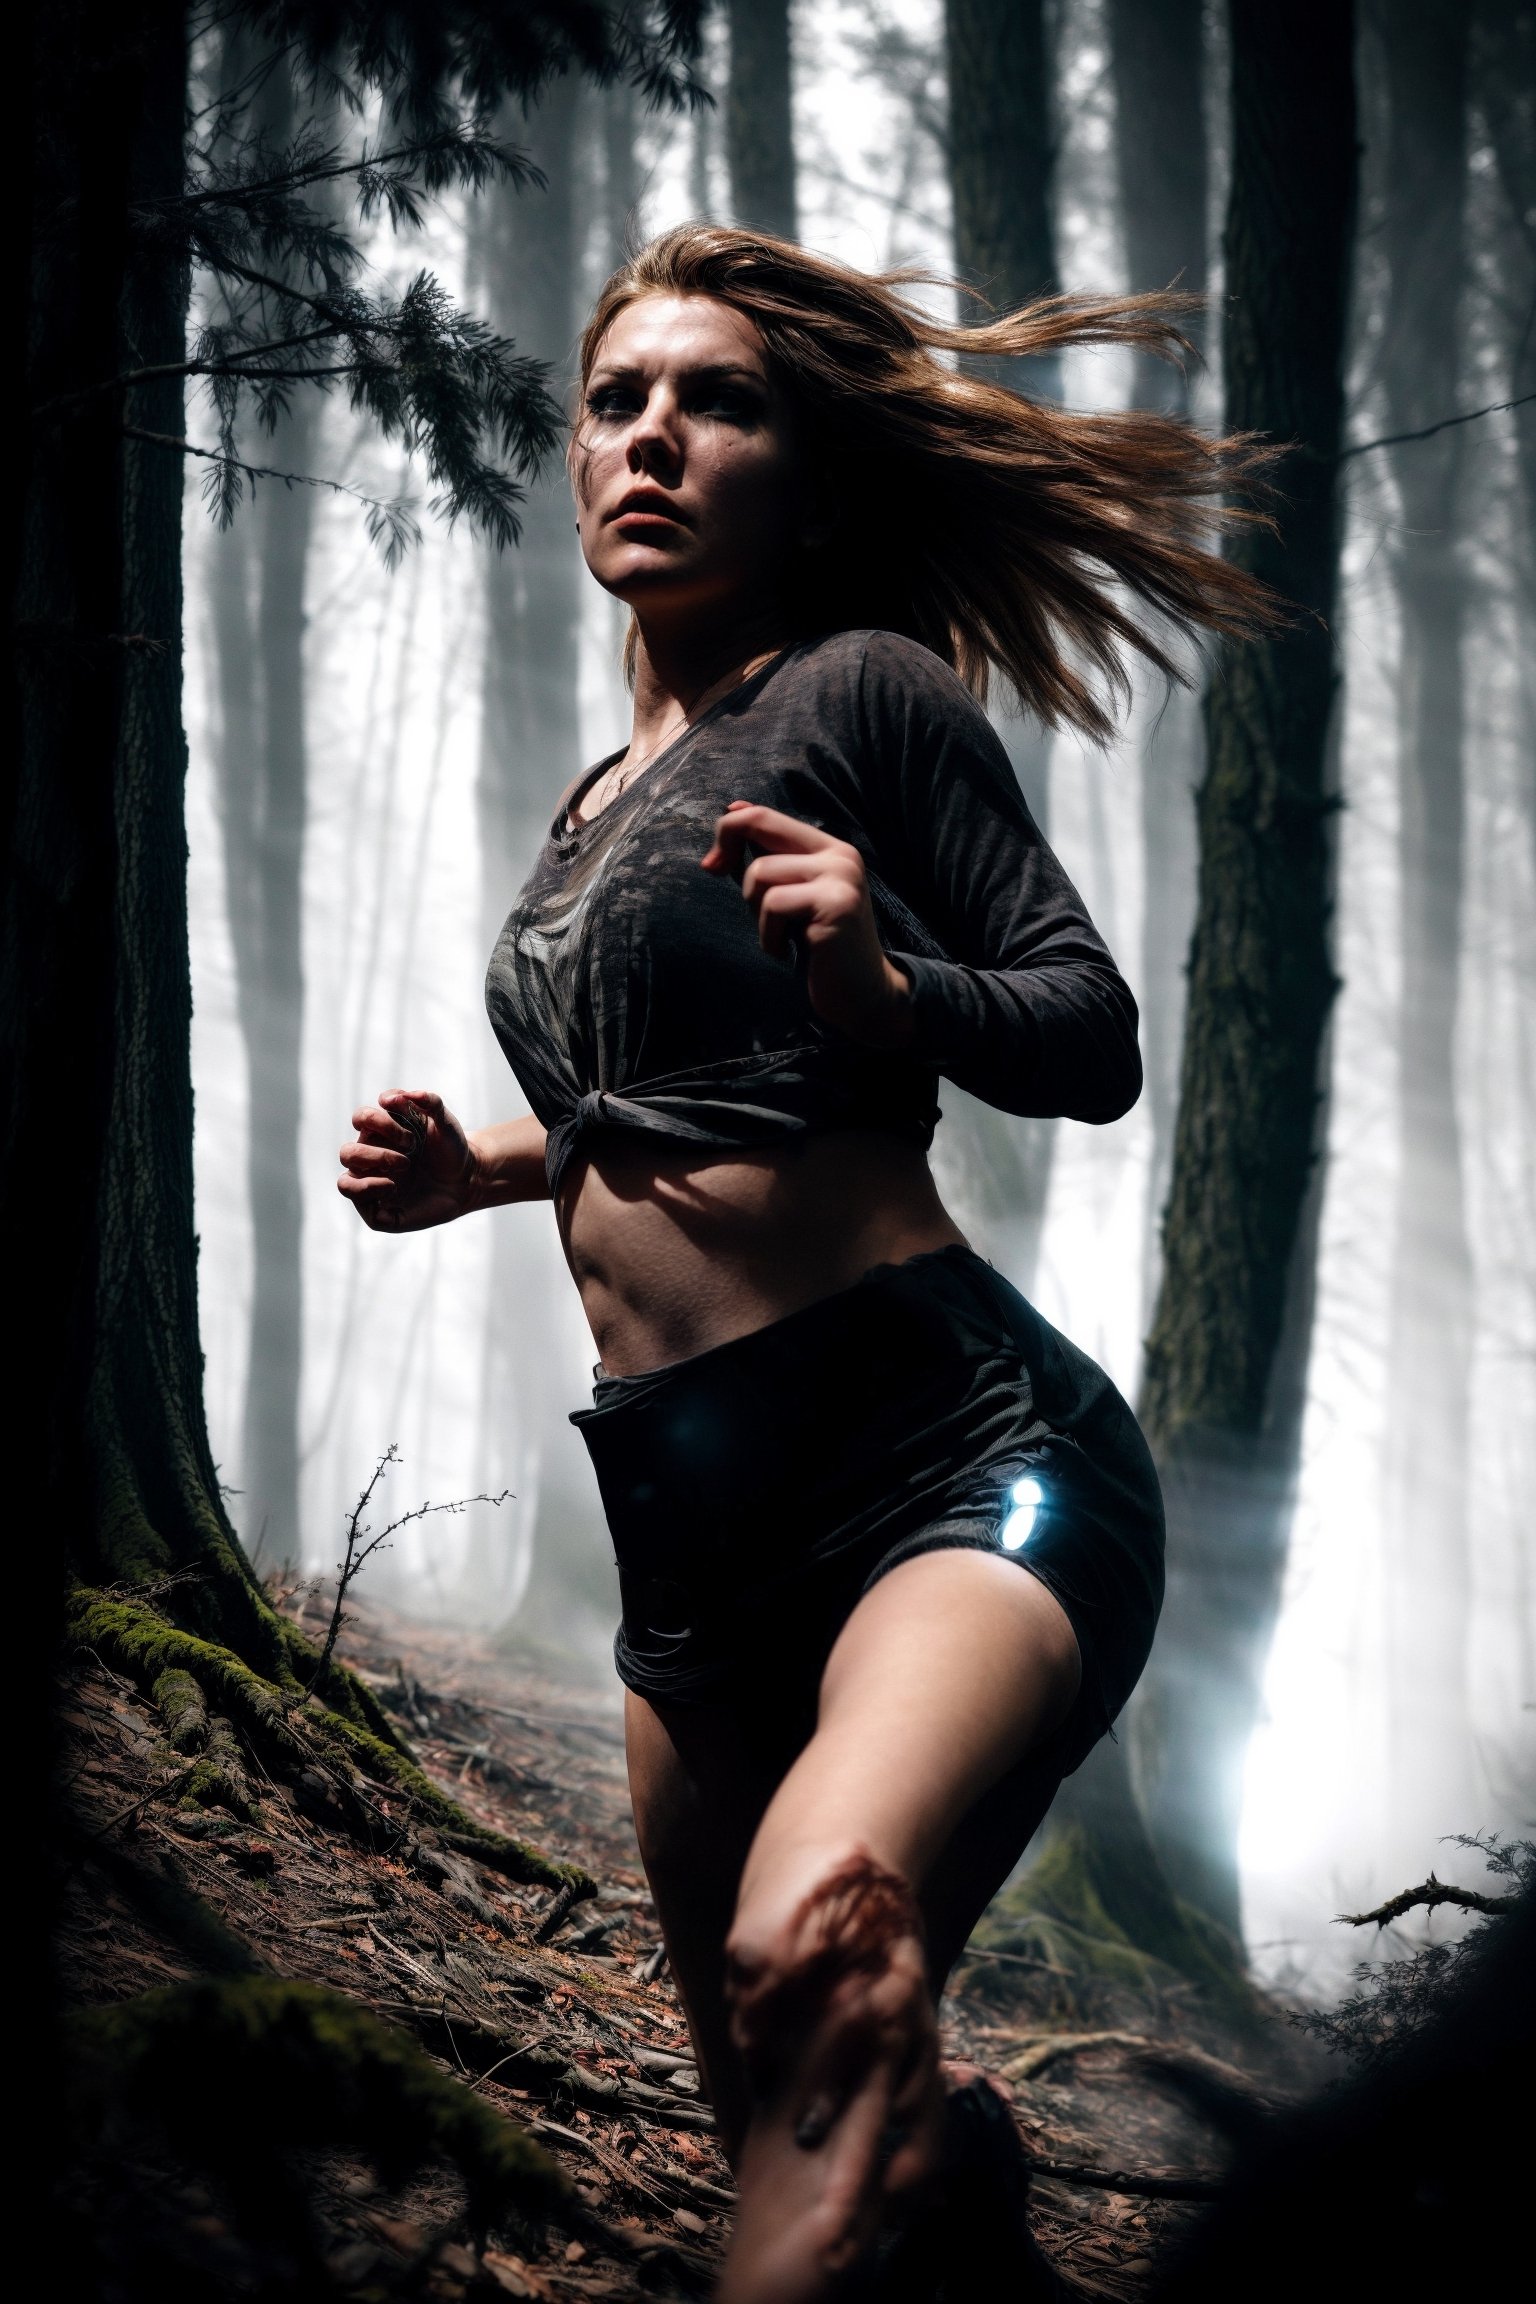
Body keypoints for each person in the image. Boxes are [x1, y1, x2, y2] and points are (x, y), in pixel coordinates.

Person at [338, 225, 1274, 2302]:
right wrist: (484, 1160)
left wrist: (886, 974)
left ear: (812, 478)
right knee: (815, 2127)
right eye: (616, 403)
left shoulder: (863, 695)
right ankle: (967, 2224)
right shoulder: (594, 804)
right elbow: (665, 1105)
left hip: (950, 1473)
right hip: (690, 1563)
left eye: (718, 400)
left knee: (810, 1949)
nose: (652, 437)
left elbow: (1089, 1033)